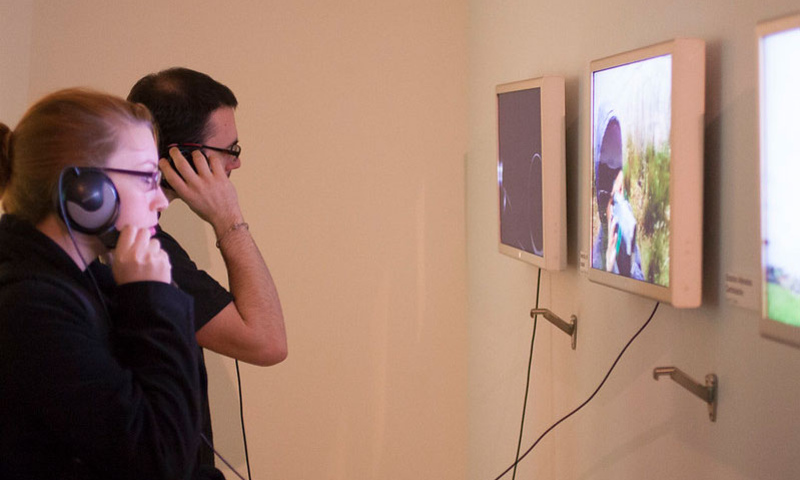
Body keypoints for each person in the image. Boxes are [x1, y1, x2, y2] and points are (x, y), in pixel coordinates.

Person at [0, 88, 203, 479]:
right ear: (85, 191)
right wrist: (154, 301)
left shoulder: (85, 282)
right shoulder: (32, 308)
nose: (160, 199)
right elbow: (159, 461)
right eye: (147, 177)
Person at [128, 68, 287, 474]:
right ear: (180, 155)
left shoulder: (129, 236)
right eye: (229, 149)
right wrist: (229, 220)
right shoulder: (139, 249)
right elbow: (267, 342)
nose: (237, 163)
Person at [592, 106, 644, 280]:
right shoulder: (596, 255)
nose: (613, 177)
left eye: (617, 163)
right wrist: (609, 269)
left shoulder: (627, 230)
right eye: (606, 161)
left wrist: (626, 268)